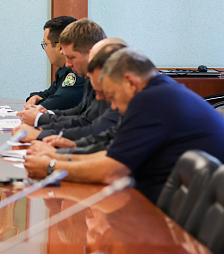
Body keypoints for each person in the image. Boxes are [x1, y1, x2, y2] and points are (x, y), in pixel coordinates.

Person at [24, 48, 224, 204]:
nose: (110, 104)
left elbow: (111, 170)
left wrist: (51, 167)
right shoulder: (158, 91)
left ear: (130, 82)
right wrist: (59, 156)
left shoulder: (150, 102)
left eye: (110, 95)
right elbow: (113, 155)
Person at [14, 19, 120, 142]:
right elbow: (81, 114)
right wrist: (46, 113)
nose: (67, 64)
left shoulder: (109, 80)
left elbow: (92, 128)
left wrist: (40, 130)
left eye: (71, 57)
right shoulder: (89, 76)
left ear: (91, 54)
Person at [27, 39, 127, 158]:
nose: (67, 64)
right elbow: (105, 137)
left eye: (71, 57)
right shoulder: (98, 80)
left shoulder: (144, 105)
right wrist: (72, 145)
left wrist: (57, 155)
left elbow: (113, 156)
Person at [25, 16, 85, 111]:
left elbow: (54, 104)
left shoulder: (78, 72)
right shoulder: (63, 71)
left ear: (60, 47)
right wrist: (33, 97)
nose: (45, 49)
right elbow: (47, 94)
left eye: (45, 44)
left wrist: (34, 104)